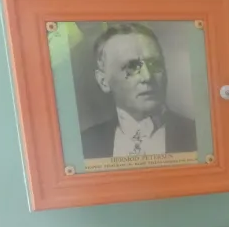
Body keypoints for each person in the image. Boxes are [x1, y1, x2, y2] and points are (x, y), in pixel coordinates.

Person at [81, 23, 196, 160]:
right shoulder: (85, 144)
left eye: (155, 64)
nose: (147, 76)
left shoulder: (196, 135)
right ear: (103, 81)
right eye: (132, 67)